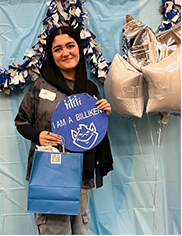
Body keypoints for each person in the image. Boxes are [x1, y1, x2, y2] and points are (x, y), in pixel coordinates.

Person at [15, 26, 113, 235]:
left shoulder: (90, 89)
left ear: (79, 47)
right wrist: (37, 135)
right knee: (54, 231)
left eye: (70, 45)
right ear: (51, 55)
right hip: (48, 174)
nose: (66, 53)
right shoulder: (40, 87)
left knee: (80, 231)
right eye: (58, 49)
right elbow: (21, 121)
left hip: (80, 174)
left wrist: (103, 113)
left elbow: (95, 133)